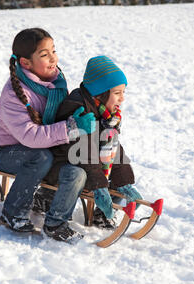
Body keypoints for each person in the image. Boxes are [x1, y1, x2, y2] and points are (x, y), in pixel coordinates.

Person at [0, 28, 96, 243]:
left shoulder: (55, 84)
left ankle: (45, 199)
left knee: (67, 157)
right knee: (42, 157)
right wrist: (69, 128)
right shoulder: (14, 94)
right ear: (26, 63)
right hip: (6, 151)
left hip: (39, 147)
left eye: (53, 51)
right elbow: (31, 137)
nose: (53, 57)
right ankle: (13, 211)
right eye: (45, 54)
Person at [45, 55, 142, 229]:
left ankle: (103, 215)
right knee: (85, 174)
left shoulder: (107, 115)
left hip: (84, 162)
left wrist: (124, 180)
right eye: (117, 93)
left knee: (114, 167)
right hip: (62, 165)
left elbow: (112, 147)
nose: (122, 99)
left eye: (123, 92)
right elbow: (83, 151)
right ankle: (49, 204)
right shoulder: (78, 108)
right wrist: (99, 185)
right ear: (100, 93)